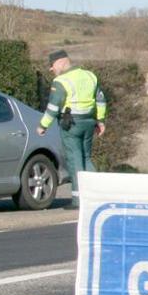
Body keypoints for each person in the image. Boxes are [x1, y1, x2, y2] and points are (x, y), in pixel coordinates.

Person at [36, 49, 106, 208]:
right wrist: (100, 120)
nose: (51, 70)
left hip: (71, 125)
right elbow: (101, 100)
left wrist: (42, 126)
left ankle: (78, 200)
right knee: (86, 158)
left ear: (61, 62)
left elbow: (53, 106)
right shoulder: (90, 76)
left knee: (75, 160)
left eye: (52, 66)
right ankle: (96, 196)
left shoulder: (61, 81)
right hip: (89, 122)